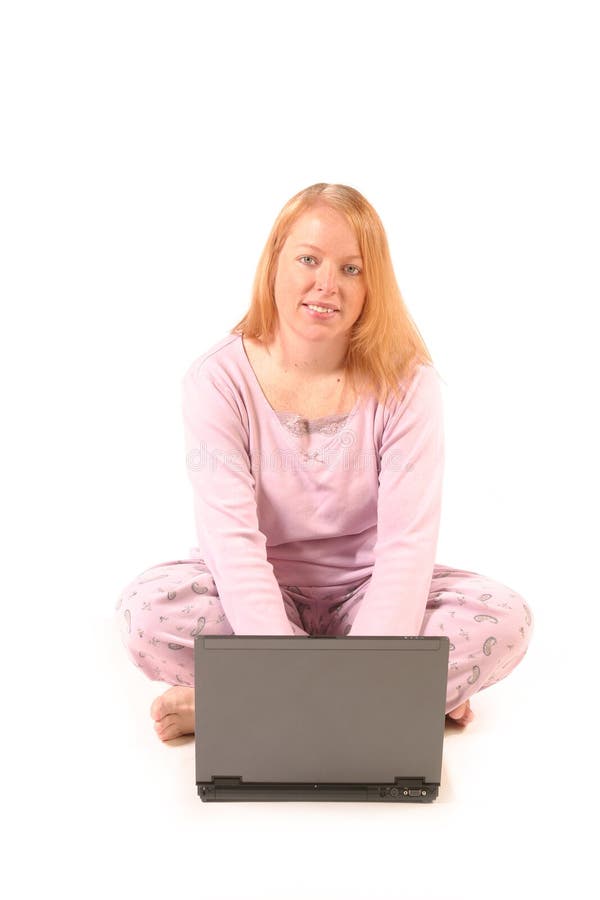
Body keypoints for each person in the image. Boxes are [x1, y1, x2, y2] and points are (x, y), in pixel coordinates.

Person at [116, 182, 534, 742]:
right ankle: (393, 701)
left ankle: (240, 704)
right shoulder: (217, 380)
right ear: (274, 265)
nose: (326, 285)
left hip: (370, 588)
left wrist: (360, 661)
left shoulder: (408, 385)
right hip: (258, 592)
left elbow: (407, 546)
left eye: (351, 269)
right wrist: (365, 681)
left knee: (505, 618)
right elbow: (231, 543)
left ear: (371, 286)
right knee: (145, 614)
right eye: (308, 259)